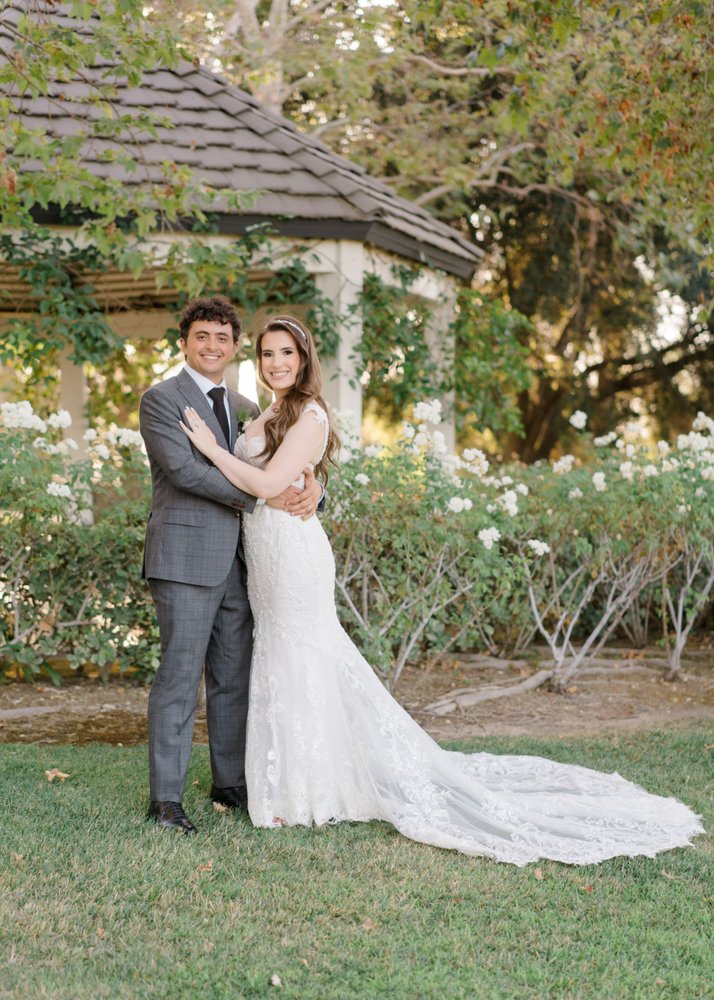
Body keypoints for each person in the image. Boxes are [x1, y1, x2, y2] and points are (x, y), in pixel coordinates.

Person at [180, 313, 704, 865]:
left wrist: (212, 449)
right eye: (268, 354)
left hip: (294, 553)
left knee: (302, 656)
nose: (276, 363)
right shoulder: (264, 412)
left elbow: (265, 482)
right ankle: (297, 781)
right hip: (265, 553)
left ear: (304, 359)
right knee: (282, 656)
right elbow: (277, 480)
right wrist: (296, 483)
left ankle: (306, 791)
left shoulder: (310, 413)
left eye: (287, 352)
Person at [139, 297, 322, 834]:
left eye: (223, 337)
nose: (212, 345)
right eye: (202, 336)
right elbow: (185, 472)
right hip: (185, 559)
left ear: (235, 346)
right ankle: (165, 800)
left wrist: (314, 492)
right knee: (179, 677)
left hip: (245, 563)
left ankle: (230, 783)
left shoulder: (247, 406)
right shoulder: (161, 400)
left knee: (234, 677)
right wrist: (264, 498)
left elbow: (279, 464)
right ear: (184, 343)